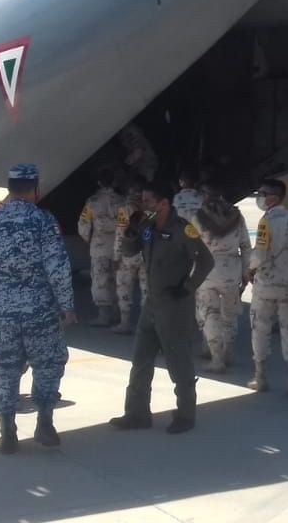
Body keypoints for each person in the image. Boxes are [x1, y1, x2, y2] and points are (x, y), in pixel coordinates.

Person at [0, 163, 76, 455]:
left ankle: (7, 432)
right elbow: (57, 267)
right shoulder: (43, 221)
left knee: (6, 366)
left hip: (4, 311)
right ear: (35, 189)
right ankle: (45, 423)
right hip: (40, 309)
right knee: (47, 363)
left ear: (10, 188)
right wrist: (67, 305)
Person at [109, 180, 214, 434]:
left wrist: (188, 287)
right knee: (140, 361)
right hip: (152, 303)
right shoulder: (147, 227)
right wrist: (131, 231)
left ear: (164, 203)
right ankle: (136, 414)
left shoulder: (182, 230)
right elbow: (128, 252)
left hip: (174, 306)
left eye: (148, 201)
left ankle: (185, 415)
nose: (144, 205)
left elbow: (206, 261)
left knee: (179, 362)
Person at [245, 178, 288, 394]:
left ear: (274, 197)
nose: (259, 197)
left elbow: (260, 254)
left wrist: (249, 269)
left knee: (260, 329)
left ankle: (260, 377)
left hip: (266, 284)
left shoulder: (266, 221)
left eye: (263, 193)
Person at [193, 192, 251, 374]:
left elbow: (190, 246)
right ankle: (228, 353)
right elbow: (245, 246)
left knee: (209, 314)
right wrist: (246, 273)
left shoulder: (198, 218)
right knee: (229, 315)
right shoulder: (237, 217)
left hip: (207, 270)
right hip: (231, 271)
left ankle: (216, 359)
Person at [79, 168, 128, 328]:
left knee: (100, 280)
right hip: (119, 246)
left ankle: (104, 316)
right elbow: (127, 223)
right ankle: (118, 314)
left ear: (99, 182)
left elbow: (83, 224)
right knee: (118, 280)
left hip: (99, 246)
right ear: (114, 182)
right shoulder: (122, 201)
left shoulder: (92, 201)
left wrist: (88, 239)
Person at [111, 174, 148, 335]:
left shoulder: (125, 208)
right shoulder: (152, 207)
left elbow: (121, 233)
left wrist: (116, 256)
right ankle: (145, 326)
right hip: (147, 253)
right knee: (146, 291)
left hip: (129, 254)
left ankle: (125, 323)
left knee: (124, 288)